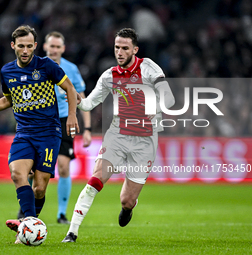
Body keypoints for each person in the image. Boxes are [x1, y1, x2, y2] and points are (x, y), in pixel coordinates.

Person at [0, 25, 79, 243]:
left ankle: (28, 224)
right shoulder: (7, 71)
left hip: (49, 133)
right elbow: (7, 100)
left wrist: (71, 116)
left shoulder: (46, 66)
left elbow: (70, 88)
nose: (24, 50)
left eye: (29, 46)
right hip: (24, 133)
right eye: (20, 46)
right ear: (13, 45)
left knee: (39, 189)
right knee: (16, 174)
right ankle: (29, 225)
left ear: (35, 46)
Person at [62, 28, 175, 242]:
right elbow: (88, 104)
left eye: (125, 48)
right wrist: (76, 98)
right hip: (118, 135)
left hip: (145, 141)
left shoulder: (149, 68)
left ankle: (129, 207)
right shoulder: (109, 76)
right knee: (96, 179)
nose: (120, 52)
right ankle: (72, 232)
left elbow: (169, 100)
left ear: (135, 49)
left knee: (126, 200)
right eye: (117, 48)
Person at [17, 31, 92, 224]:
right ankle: (27, 208)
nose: (55, 50)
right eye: (52, 46)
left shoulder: (71, 69)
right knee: (32, 170)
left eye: (58, 47)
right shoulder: (34, 66)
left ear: (63, 49)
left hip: (64, 119)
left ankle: (61, 214)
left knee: (64, 167)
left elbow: (83, 99)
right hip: (39, 121)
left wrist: (88, 129)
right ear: (44, 47)